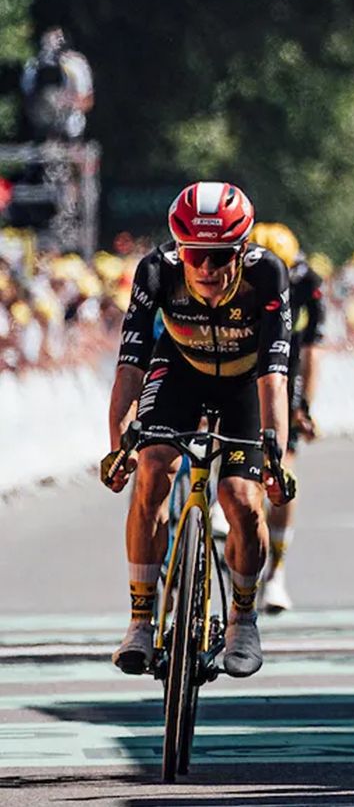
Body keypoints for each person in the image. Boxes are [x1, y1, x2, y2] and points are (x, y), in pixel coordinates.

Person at [99, 182, 295, 678]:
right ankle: (140, 622)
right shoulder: (156, 271)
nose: (206, 268)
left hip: (244, 383)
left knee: (242, 499)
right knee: (152, 468)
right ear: (179, 249)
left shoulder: (267, 274)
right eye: (194, 254)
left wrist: (275, 455)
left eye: (220, 255)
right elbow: (130, 365)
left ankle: (243, 620)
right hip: (179, 371)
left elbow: (275, 374)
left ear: (242, 249)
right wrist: (118, 446)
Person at [249, 222, 325, 613]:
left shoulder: (308, 283)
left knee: (283, 468)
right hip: (240, 357)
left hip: (285, 364)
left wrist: (304, 406)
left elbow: (312, 352)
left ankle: (276, 572)